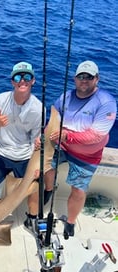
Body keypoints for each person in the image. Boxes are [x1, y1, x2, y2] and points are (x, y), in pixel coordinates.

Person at [43, 60, 117, 239]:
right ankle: (49, 189)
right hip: (61, 145)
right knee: (46, 167)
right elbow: (53, 116)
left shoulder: (106, 103)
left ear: (96, 79)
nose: (84, 80)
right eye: (81, 76)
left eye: (89, 77)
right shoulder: (65, 97)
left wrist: (67, 136)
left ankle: (71, 221)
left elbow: (96, 136)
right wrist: (44, 136)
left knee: (78, 189)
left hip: (87, 154)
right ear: (75, 79)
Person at [0, 61, 43, 229]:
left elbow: (35, 140)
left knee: (33, 189)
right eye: (17, 77)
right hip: (0, 153)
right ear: (12, 81)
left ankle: (31, 219)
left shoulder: (39, 109)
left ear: (33, 81)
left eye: (27, 77)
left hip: (24, 156)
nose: (22, 80)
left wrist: (36, 163)